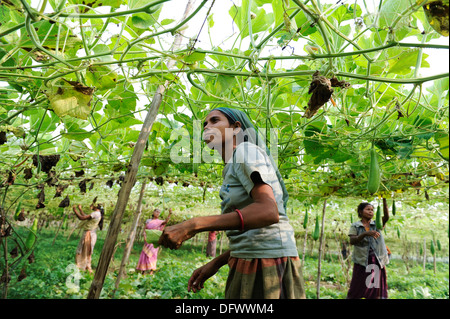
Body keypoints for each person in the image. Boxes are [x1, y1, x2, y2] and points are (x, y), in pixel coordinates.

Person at [159, 107, 305, 299]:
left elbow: (269, 211)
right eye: (204, 124)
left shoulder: (246, 151)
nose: (206, 126)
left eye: (214, 121)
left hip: (268, 261)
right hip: (249, 258)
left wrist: (193, 225)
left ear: (236, 128)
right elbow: (253, 232)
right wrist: (218, 262)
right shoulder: (231, 165)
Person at [347, 199, 390, 299]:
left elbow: (386, 217)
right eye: (368, 209)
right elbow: (352, 241)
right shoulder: (355, 226)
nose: (371, 211)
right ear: (360, 212)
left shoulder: (377, 224)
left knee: (373, 287)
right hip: (362, 260)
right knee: (357, 286)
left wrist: (384, 199)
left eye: (372, 210)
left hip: (375, 260)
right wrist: (365, 234)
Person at [136, 208, 172, 275]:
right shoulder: (148, 221)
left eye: (159, 212)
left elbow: (166, 222)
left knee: (153, 255)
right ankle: (143, 270)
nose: (157, 213)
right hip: (148, 240)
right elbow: (145, 230)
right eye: (156, 212)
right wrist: (145, 237)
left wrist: (169, 214)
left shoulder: (159, 221)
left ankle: (151, 271)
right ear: (153, 212)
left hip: (155, 240)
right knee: (145, 254)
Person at [72, 203, 104, 273]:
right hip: (91, 233)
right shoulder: (98, 213)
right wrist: (80, 209)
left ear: (96, 206)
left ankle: (80, 266)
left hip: (88, 234)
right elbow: (85, 217)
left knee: (83, 249)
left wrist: (75, 210)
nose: (90, 205)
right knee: (86, 251)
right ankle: (86, 266)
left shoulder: (96, 213)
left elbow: (82, 218)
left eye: (92, 204)